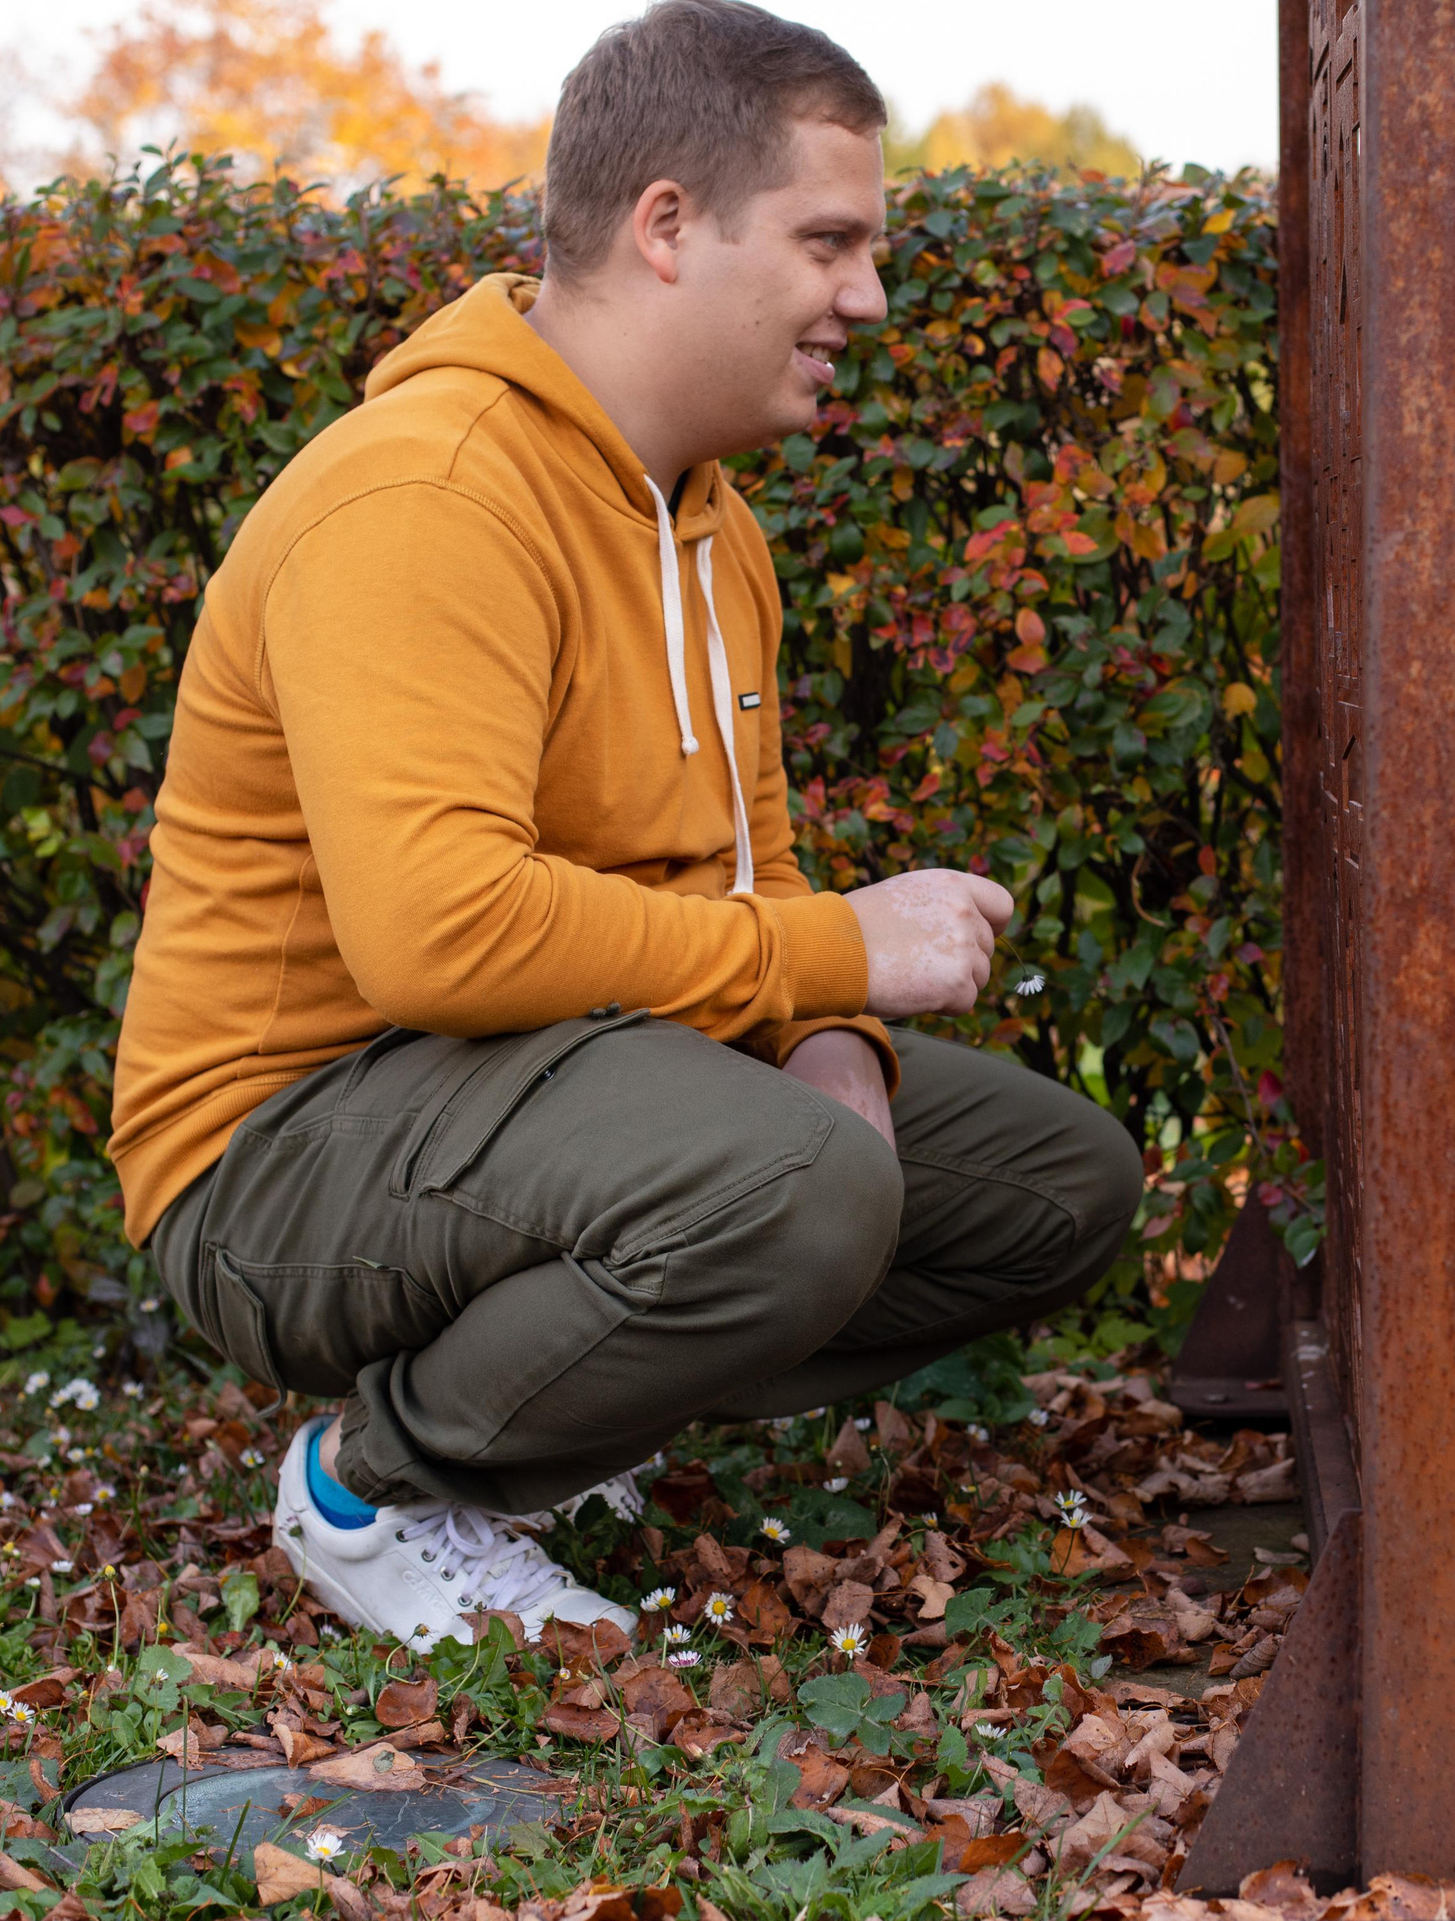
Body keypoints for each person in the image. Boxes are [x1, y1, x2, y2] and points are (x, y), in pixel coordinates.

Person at [108, 0, 1142, 1652]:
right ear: (667, 224)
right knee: (793, 1191)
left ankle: (561, 1416)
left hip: (554, 1088)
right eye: (829, 241)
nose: (865, 297)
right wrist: (836, 953)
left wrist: (832, 1039)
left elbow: (757, 866)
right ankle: (376, 1481)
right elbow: (437, 930)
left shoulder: (715, 534)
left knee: (1053, 1183)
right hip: (277, 1153)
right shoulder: (426, 495)